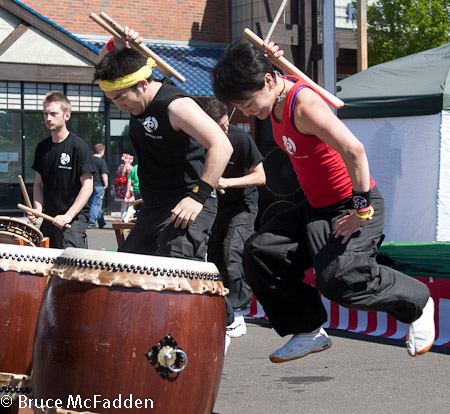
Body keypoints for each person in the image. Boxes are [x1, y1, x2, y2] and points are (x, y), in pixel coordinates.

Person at [210, 39, 435, 362]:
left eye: (248, 103)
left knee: (340, 280)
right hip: (316, 207)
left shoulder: (303, 107)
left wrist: (361, 208)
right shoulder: (277, 88)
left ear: (269, 81)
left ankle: (418, 302)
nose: (248, 112)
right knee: (260, 251)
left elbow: (354, 150)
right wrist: (271, 58)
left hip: (354, 203)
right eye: (241, 107)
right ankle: (309, 331)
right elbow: (276, 72)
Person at [93, 30, 233, 262]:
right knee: (123, 271)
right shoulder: (137, 101)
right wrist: (115, 43)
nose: (118, 106)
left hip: (187, 203)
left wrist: (197, 197)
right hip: (153, 207)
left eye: (120, 98)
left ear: (142, 84)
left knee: (173, 273)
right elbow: (102, 66)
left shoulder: (177, 106)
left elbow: (222, 145)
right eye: (112, 100)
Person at [203, 97, 266, 338]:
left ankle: (239, 311)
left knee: (232, 250)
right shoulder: (198, 142)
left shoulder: (239, 138)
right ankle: (223, 308)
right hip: (214, 206)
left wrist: (228, 182)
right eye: (219, 126)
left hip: (242, 204)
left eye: (225, 124)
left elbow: (260, 177)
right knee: (214, 256)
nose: (225, 129)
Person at [28, 91, 95, 248]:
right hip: (49, 216)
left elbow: (88, 185)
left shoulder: (78, 146)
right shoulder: (42, 148)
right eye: (45, 114)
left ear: (67, 116)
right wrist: (37, 209)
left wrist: (68, 215)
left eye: (53, 114)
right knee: (42, 261)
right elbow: (39, 183)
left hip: (74, 217)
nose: (48, 118)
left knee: (71, 262)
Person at [88, 143, 109, 229]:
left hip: (89, 184)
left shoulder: (89, 160)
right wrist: (106, 184)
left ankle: (101, 222)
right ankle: (91, 222)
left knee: (94, 203)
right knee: (96, 204)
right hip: (98, 185)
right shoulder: (101, 161)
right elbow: (104, 174)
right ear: (101, 151)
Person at [114, 153, 135, 221]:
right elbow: (131, 179)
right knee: (131, 205)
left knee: (123, 205)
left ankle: (122, 218)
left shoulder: (120, 167)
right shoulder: (131, 168)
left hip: (121, 189)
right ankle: (126, 219)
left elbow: (116, 177)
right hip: (129, 188)